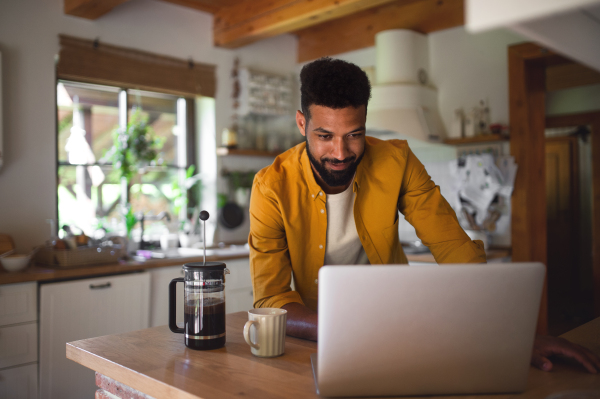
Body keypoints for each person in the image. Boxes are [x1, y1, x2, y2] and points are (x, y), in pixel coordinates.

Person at [248, 57, 600, 373]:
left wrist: (511, 333)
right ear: (301, 123)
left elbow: (453, 247)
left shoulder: (397, 161)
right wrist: (339, 327)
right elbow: (272, 297)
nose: (340, 152)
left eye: (354, 134)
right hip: (320, 334)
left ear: (366, 122)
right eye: (324, 135)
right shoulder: (271, 187)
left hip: (400, 323)